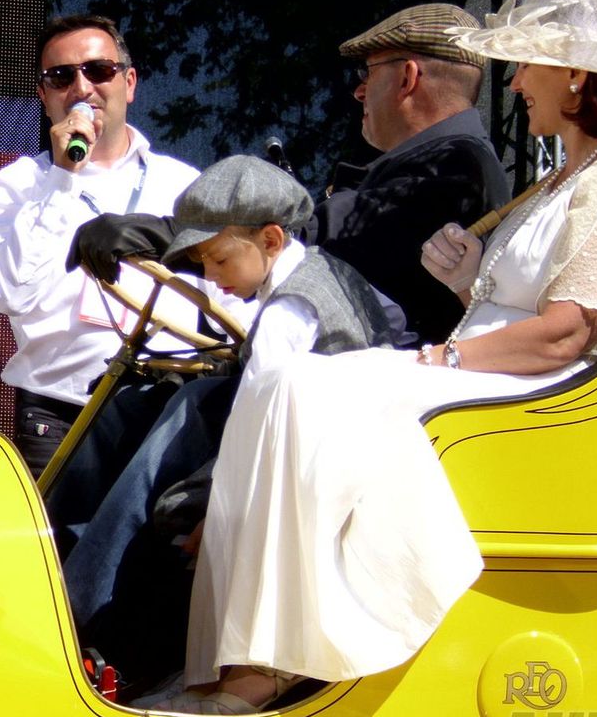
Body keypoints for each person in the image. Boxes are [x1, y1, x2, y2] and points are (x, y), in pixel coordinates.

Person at [167, 0, 597, 715]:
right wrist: (471, 282)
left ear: (577, 74)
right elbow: (520, 308)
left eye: (529, 62)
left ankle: (277, 660)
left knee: (311, 390)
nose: (515, 80)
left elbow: (566, 334)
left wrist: (447, 355)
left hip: (532, 394)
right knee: (287, 382)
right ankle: (236, 651)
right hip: (487, 367)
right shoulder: (562, 181)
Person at [51, 155, 395, 688]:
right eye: (203, 264)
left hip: (309, 459)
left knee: (184, 413)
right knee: (151, 402)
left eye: (218, 261)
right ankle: (71, 568)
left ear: (272, 240)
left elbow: (263, 423)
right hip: (300, 433)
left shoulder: (286, 316)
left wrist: (216, 504)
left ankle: (78, 611)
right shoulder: (323, 275)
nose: (210, 278)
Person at [69, 3, 511, 345]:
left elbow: (311, 238)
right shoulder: (453, 160)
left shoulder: (454, 167)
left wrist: (155, 234)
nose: (358, 90)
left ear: (407, 78)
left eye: (367, 72)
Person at [0, 14, 210, 474]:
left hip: (169, 404)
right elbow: (7, 293)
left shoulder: (185, 185)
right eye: (61, 77)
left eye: (98, 70)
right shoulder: (17, 184)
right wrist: (62, 178)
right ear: (43, 97)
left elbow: (226, 297)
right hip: (60, 411)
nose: (82, 88)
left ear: (129, 81)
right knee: (63, 547)